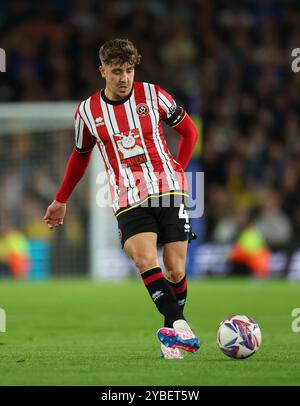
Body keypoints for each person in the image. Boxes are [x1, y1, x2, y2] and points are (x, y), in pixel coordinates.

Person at [43, 39, 200, 359]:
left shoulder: (154, 95)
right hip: (127, 196)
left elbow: (190, 132)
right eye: (117, 72)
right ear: (103, 71)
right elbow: (80, 156)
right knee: (144, 260)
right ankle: (180, 326)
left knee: (176, 269)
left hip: (168, 189)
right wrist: (61, 199)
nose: (124, 77)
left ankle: (170, 333)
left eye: (129, 70)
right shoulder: (87, 112)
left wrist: (178, 170)